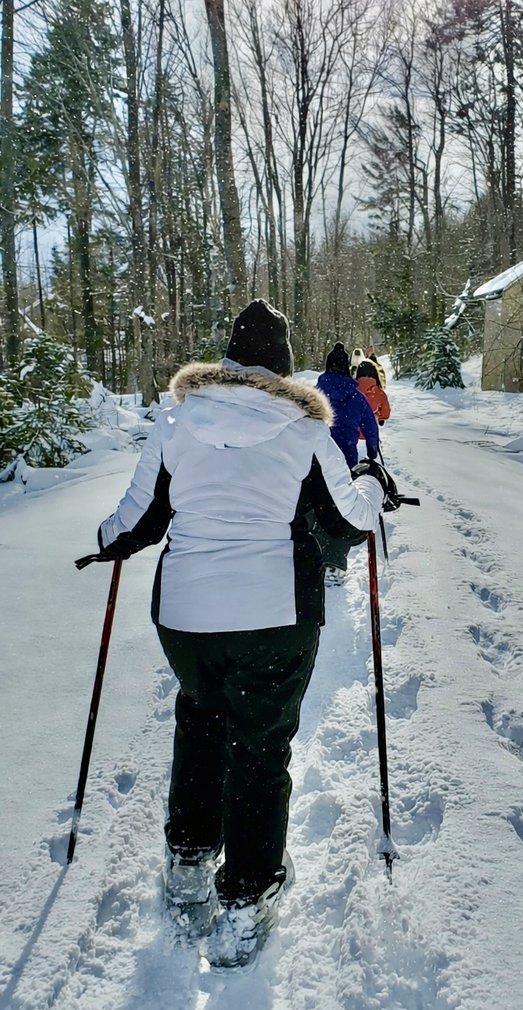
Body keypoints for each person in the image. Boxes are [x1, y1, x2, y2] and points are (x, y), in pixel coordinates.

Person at [91, 300, 395, 969]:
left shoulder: (175, 422)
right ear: (285, 367)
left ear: (226, 361)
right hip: (276, 618)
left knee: (200, 720)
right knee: (260, 746)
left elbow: (137, 522)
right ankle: (246, 898)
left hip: (188, 620)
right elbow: (346, 526)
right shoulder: (307, 431)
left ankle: (190, 864)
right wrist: (372, 486)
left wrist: (106, 541)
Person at [315, 342, 381, 585]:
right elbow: (371, 429)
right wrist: (372, 453)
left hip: (316, 462)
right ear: (347, 371)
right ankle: (335, 564)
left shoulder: (314, 395)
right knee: (341, 511)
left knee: (316, 508)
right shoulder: (357, 397)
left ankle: (317, 556)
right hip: (346, 464)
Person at [356, 360, 390, 427]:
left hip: (352, 429)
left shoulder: (352, 390)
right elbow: (385, 410)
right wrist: (382, 418)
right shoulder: (379, 392)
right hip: (370, 430)